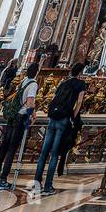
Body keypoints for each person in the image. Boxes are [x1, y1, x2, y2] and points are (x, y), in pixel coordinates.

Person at [32, 63, 86, 196]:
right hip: (64, 119)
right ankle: (48, 186)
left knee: (44, 152)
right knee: (55, 153)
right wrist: (74, 116)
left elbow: (55, 98)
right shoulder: (80, 84)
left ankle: (37, 184)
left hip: (53, 117)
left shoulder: (63, 83)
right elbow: (79, 102)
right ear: (80, 72)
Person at [0, 63, 39, 189]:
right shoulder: (33, 84)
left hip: (12, 116)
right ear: (37, 72)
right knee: (11, 149)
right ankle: (3, 179)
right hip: (20, 118)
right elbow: (29, 102)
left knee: (4, 147)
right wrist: (33, 115)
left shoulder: (23, 81)